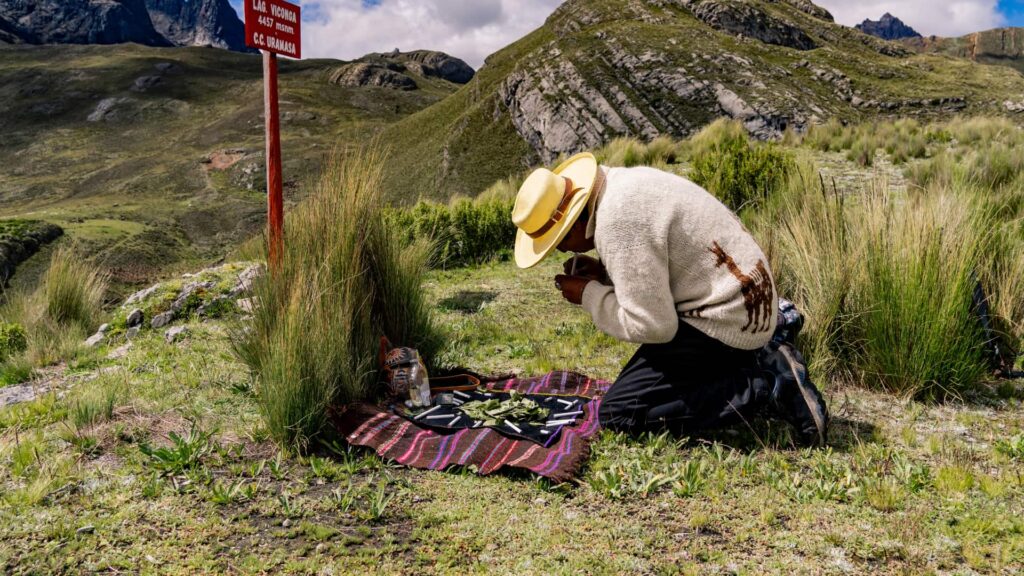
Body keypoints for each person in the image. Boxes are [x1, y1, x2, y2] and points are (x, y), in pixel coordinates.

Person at [510, 152, 829, 445]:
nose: (565, 251)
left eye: (559, 241)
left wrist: (589, 295)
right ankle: (764, 349)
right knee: (648, 387)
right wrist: (606, 273)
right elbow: (663, 264)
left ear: (574, 221)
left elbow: (654, 326)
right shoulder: (620, 185)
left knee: (619, 412)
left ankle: (770, 384)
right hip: (749, 304)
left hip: (729, 321)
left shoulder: (616, 224)